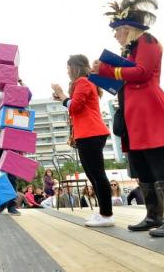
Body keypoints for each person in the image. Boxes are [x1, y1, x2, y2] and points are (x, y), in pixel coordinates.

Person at [93, 0, 164, 237]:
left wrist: (110, 71)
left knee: (158, 161)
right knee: (142, 165)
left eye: (117, 30)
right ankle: (154, 215)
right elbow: (128, 77)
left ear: (128, 27)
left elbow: (143, 72)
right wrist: (102, 74)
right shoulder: (131, 50)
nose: (115, 35)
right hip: (133, 112)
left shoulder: (148, 40)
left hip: (148, 109)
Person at [52, 54, 114, 227]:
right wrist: (64, 98)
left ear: (74, 67)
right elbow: (76, 105)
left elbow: (75, 106)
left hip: (90, 133)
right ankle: (103, 212)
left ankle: (107, 214)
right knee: (93, 174)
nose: (67, 71)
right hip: (88, 133)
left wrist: (62, 95)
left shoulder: (83, 82)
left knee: (97, 175)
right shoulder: (86, 83)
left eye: (68, 67)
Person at [0, 83, 31, 216]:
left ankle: (11, 206)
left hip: (11, 139)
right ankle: (2, 203)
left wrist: (21, 81)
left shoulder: (15, 103)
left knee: (12, 173)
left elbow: (29, 95)